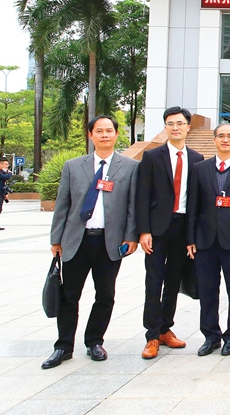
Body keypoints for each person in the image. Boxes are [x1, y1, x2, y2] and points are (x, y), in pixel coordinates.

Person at [42, 115, 139, 369]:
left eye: (109, 131)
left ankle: (94, 341)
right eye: (99, 131)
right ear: (90, 135)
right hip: (77, 240)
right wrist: (56, 239)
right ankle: (63, 346)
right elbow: (62, 205)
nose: (104, 135)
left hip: (109, 242)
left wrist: (131, 236)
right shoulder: (73, 166)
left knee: (105, 295)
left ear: (116, 134)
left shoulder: (130, 167)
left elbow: (133, 206)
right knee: (69, 295)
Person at [136, 107, 205, 360]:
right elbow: (142, 195)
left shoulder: (197, 158)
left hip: (183, 228)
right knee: (154, 282)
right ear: (165, 127)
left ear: (188, 127)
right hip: (157, 230)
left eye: (180, 123)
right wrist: (143, 230)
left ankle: (166, 329)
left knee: (174, 282)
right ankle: (152, 335)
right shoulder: (152, 157)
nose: (175, 127)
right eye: (170, 123)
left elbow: (197, 199)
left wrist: (193, 237)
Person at [186, 123, 230, 357]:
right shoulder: (200, 169)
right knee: (207, 291)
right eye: (221, 136)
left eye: (229, 136)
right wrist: (190, 238)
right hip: (205, 241)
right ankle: (211, 336)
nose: (225, 139)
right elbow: (193, 206)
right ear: (214, 139)